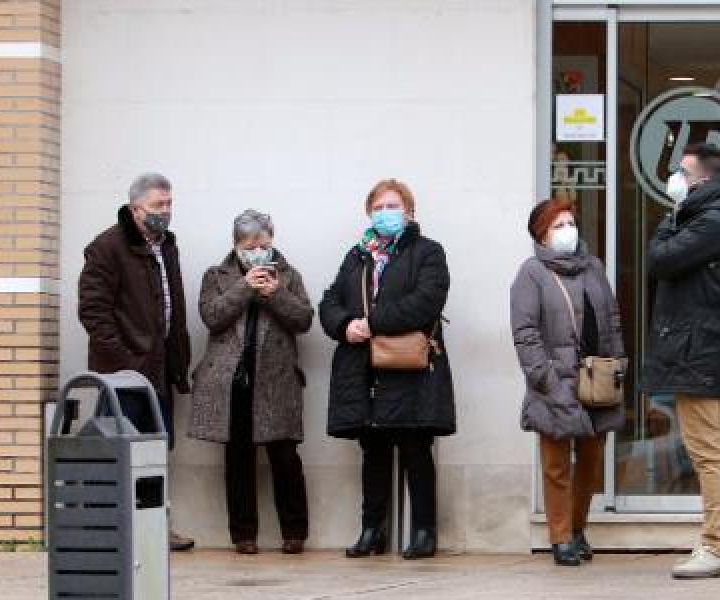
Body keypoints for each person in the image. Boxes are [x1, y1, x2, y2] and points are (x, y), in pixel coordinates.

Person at [319, 179, 455, 560]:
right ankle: (371, 529)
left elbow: (426, 301)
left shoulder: (428, 252)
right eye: (377, 207)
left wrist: (372, 322)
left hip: (408, 367)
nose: (385, 213)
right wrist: (346, 324)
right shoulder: (358, 255)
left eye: (392, 205)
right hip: (365, 370)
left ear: (409, 211)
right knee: (373, 451)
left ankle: (425, 530)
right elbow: (330, 300)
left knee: (415, 448)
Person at [643, 143, 720, 579]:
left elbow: (659, 260)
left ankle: (716, 544)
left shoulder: (716, 223)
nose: (676, 180)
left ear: (703, 180)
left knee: (708, 450)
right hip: (698, 347)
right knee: (706, 447)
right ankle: (714, 540)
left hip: (702, 350)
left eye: (682, 173)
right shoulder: (713, 218)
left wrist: (671, 214)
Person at [78, 172, 195, 552]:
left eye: (169, 203)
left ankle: (155, 527)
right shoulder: (108, 247)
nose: (166, 211)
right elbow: (94, 314)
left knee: (156, 450)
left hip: (159, 371)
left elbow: (170, 308)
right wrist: (125, 362)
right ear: (135, 208)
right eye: (158, 205)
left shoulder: (166, 246)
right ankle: (110, 529)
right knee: (120, 449)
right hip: (125, 374)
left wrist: (178, 363)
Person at [189, 210, 313, 555]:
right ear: (237, 245)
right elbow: (211, 316)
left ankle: (295, 532)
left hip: (276, 380)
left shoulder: (289, 275)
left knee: (286, 458)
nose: (258, 251)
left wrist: (276, 293)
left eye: (264, 244)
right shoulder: (216, 275)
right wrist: (245, 286)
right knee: (238, 460)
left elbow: (303, 320)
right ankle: (243, 536)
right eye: (251, 245)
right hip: (233, 382)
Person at [511, 199, 626, 566]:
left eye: (570, 223)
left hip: (597, 378)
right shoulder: (532, 273)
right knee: (556, 464)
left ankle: (577, 528)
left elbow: (612, 319)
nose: (567, 231)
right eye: (558, 225)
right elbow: (525, 333)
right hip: (554, 381)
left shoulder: (594, 268)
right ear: (541, 233)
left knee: (591, 462)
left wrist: (618, 363)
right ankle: (560, 537)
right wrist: (543, 377)